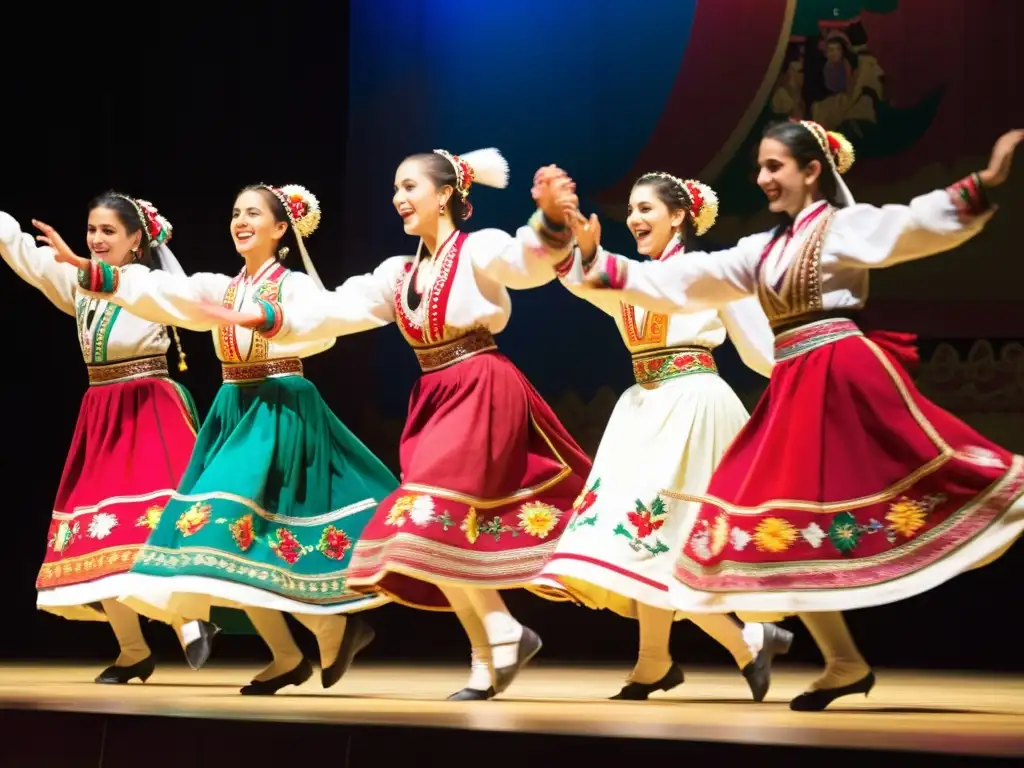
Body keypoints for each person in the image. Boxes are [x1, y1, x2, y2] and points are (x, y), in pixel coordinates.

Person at [569, 120, 1024, 710]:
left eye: (775, 166)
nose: (763, 178)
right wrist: (591, 257)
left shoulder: (841, 228)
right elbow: (681, 278)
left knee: (929, 468)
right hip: (797, 382)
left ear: (812, 171)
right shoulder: (763, 249)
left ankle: (1008, 495)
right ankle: (843, 660)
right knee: (773, 523)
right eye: (760, 167)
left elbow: (908, 225)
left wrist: (981, 185)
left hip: (843, 369)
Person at [196, 150, 593, 700]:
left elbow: (525, 264)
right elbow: (334, 311)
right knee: (433, 529)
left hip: (480, 385)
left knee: (422, 520)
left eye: (409, 186)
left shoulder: (477, 249)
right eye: (394, 189)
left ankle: (503, 631)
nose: (398, 198)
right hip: (434, 395)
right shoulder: (398, 273)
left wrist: (549, 221)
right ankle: (488, 658)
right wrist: (262, 315)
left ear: (446, 193)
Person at [34, 183, 399, 695]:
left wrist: (270, 318)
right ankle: (303, 643)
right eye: (235, 213)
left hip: (280, 405)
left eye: (254, 213)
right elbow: (155, 292)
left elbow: (323, 325)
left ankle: (322, 627)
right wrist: (82, 266)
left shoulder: (291, 286)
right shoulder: (220, 287)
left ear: (280, 228)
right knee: (227, 539)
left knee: (220, 527)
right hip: (235, 410)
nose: (241, 221)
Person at [530, 171, 792, 701]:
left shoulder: (707, 272)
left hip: (694, 405)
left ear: (679, 216)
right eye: (630, 208)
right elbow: (579, 279)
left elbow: (758, 349)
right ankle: (668, 658)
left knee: (657, 535)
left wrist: (806, 381)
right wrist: (567, 231)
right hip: (646, 407)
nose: (634, 218)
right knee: (645, 538)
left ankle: (720, 647)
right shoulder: (632, 278)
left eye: (646, 208)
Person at [1, 193, 217, 683]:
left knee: (159, 521)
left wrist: (83, 267)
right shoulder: (78, 282)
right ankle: (132, 650)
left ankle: (191, 619)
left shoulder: (147, 282)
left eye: (109, 232)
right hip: (102, 410)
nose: (96, 240)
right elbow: (20, 250)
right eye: (91, 230)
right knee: (98, 527)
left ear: (136, 240)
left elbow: (172, 300)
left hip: (150, 406)